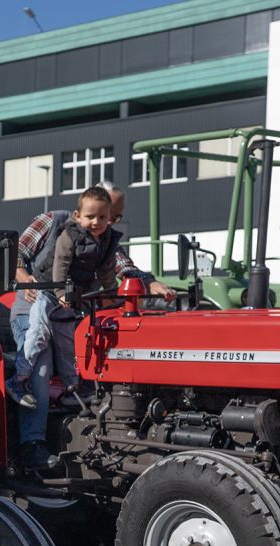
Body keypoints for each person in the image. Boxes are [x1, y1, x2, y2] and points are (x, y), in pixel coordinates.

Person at [10, 182, 172, 471]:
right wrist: (23, 277)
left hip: (72, 313)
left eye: (112, 218)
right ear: (86, 207)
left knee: (92, 357)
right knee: (41, 363)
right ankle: (31, 444)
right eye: (100, 215)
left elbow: (120, 266)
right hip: (36, 305)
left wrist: (149, 282)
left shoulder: (104, 236)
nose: (105, 223)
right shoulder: (52, 222)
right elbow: (15, 253)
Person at [10, 185, 121, 409]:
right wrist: (58, 291)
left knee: (69, 346)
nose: (96, 222)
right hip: (47, 292)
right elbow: (59, 265)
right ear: (77, 215)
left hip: (69, 302)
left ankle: (73, 392)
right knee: (38, 339)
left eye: (104, 217)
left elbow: (109, 270)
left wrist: (114, 301)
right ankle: (18, 381)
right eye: (90, 216)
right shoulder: (66, 231)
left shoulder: (106, 239)